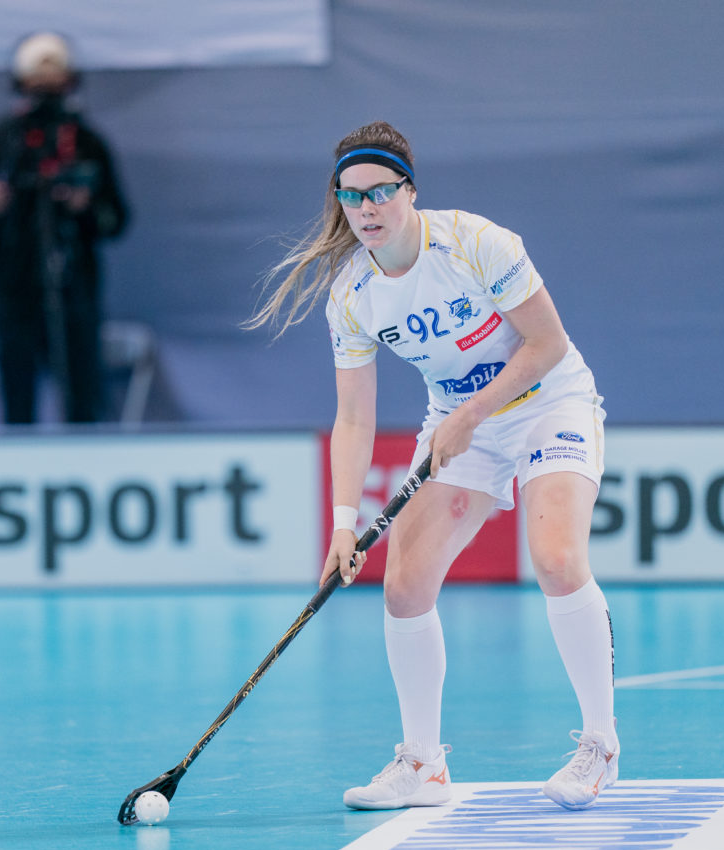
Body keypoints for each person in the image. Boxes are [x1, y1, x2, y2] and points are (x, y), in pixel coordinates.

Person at [248, 121, 618, 811]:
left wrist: (470, 414)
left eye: (381, 191)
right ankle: (423, 763)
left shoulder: (478, 243)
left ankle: (600, 743)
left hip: (546, 402)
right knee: (404, 584)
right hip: (460, 425)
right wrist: (341, 525)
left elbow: (547, 343)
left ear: (409, 190)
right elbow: (354, 417)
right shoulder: (352, 295)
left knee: (558, 556)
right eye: (351, 196)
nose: (367, 209)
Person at [0, 31, 129, 425]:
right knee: (17, 392)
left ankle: (84, 470)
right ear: (21, 86)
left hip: (72, 286)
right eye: (37, 86)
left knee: (82, 393)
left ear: (69, 84)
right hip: (13, 285)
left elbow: (117, 220)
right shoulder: (0, 140)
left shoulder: (87, 143)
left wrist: (86, 207)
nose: (46, 96)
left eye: (54, 85)